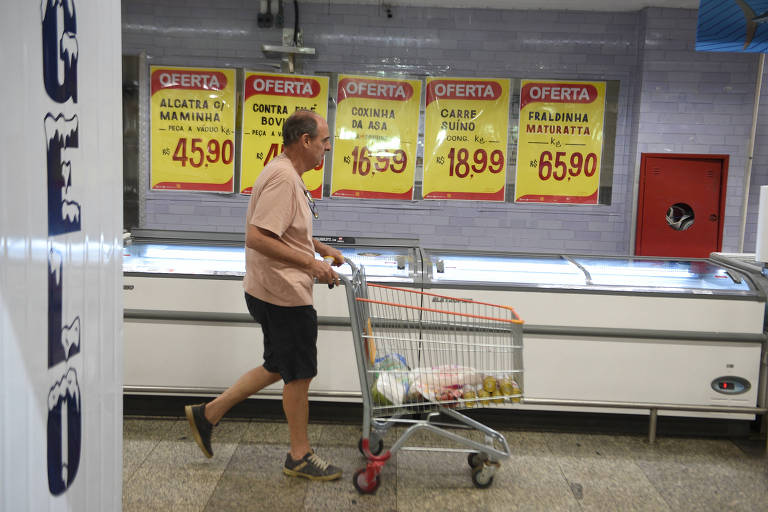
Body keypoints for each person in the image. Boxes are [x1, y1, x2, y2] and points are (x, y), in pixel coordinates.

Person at [185, 110, 344, 481]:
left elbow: (283, 230)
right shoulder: (284, 179)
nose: (327, 148)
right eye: (324, 141)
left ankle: (207, 414)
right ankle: (299, 455)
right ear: (305, 141)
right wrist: (311, 264)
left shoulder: (286, 174)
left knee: (278, 365)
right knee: (299, 374)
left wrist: (318, 248)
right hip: (282, 294)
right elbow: (257, 237)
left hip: (271, 289)